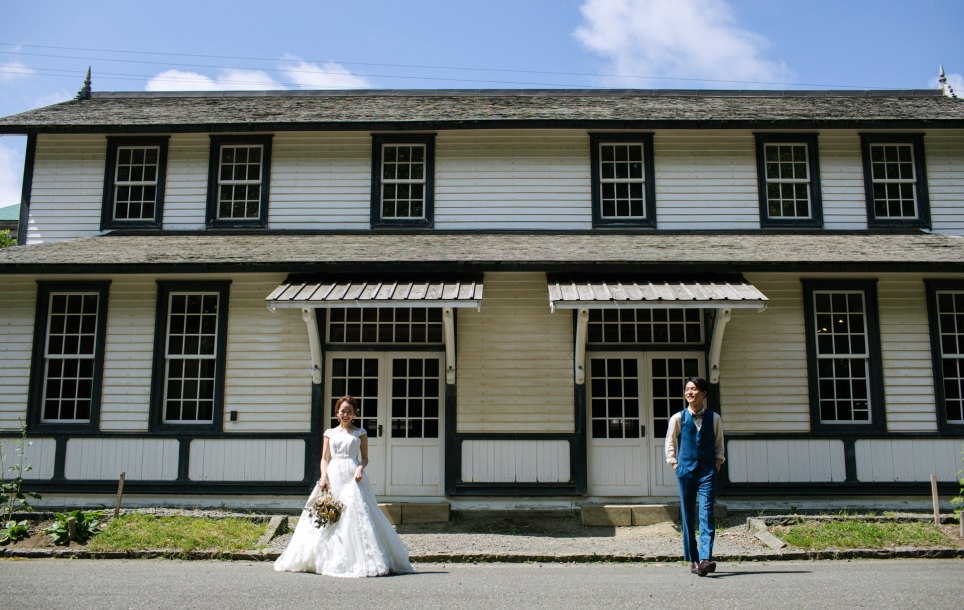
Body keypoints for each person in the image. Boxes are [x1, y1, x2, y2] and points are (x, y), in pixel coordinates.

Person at [274, 395, 414, 577]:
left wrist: (360, 469)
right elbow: (324, 458)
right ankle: (322, 558)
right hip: (333, 475)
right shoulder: (329, 433)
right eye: (343, 411)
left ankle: (356, 558)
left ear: (355, 413)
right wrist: (323, 477)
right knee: (328, 513)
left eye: (350, 411)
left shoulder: (360, 433)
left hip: (352, 475)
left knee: (354, 515)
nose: (346, 414)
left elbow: (365, 457)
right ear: (337, 413)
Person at [664, 376, 725, 577]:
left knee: (706, 513)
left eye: (694, 389)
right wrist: (674, 464)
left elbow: (719, 444)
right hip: (686, 471)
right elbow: (670, 442)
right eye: (687, 389)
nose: (690, 392)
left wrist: (717, 463)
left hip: (708, 471)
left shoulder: (714, 418)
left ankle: (706, 558)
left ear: (704, 393)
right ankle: (694, 558)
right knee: (688, 514)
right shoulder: (678, 418)